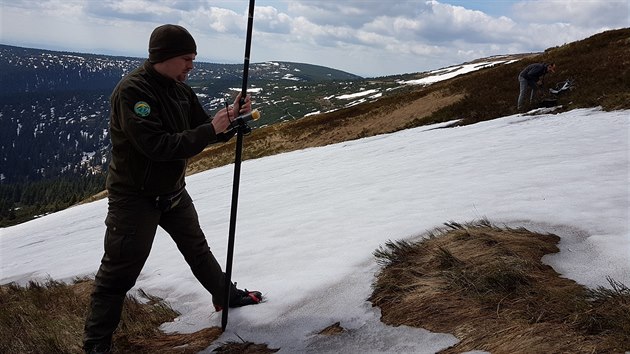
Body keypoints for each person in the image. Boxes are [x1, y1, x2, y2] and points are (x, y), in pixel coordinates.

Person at [83, 24, 262, 353]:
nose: (191, 66)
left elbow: (202, 128)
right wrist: (211, 129)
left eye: (193, 58)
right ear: (163, 57)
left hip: (172, 190)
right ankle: (96, 346)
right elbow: (157, 146)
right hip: (135, 197)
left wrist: (232, 119)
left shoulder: (181, 90)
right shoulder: (133, 92)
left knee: (198, 249)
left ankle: (225, 296)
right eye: (186, 59)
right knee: (119, 272)